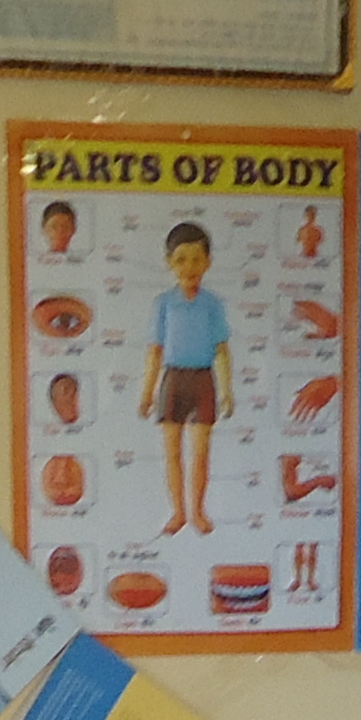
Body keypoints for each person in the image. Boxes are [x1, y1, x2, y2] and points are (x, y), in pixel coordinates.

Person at [146, 218, 231, 536]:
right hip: (173, 380)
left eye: (196, 259)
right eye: (181, 259)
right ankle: (178, 511)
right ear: (169, 263)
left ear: (208, 262)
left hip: (203, 380)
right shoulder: (164, 304)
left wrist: (226, 391)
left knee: (200, 451)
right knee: (172, 451)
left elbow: (222, 350)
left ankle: (198, 511)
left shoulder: (212, 306)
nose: (189, 267)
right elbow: (155, 351)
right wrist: (146, 392)